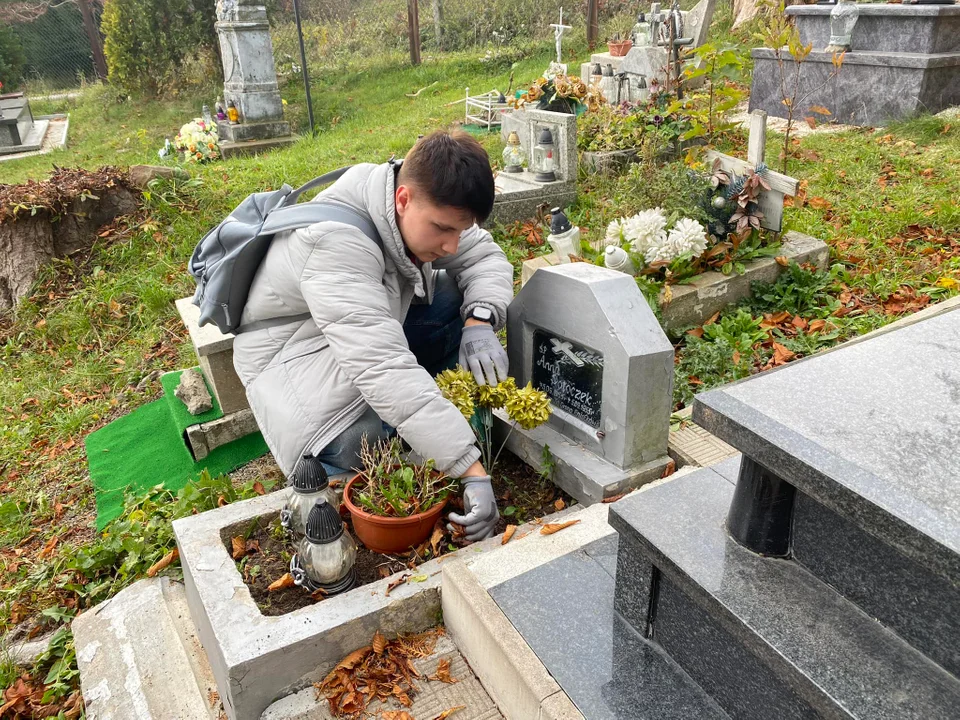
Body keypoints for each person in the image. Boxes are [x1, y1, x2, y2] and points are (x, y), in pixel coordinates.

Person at [232, 130, 514, 541]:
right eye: (442, 230)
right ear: (403, 200)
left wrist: (480, 320)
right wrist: (470, 470)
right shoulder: (334, 243)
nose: (452, 245)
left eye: (459, 230)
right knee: (360, 442)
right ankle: (334, 464)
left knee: (456, 295)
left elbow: (483, 255)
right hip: (296, 368)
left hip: (346, 334)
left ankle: (420, 425)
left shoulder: (416, 194)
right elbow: (381, 367)